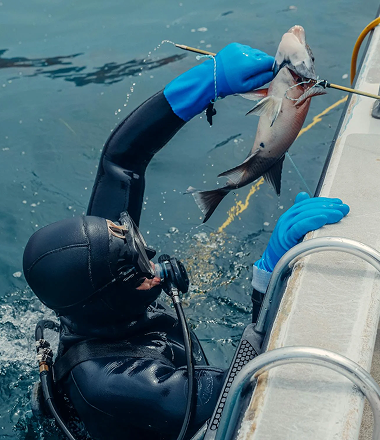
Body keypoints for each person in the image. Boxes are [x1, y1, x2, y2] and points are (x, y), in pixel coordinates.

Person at [23, 43, 349, 440]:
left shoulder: (100, 270)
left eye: (136, 242)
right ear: (107, 296)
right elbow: (253, 386)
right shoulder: (119, 385)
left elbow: (121, 160)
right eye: (139, 267)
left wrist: (206, 83)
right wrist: (267, 279)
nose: (153, 259)